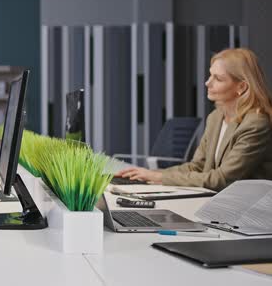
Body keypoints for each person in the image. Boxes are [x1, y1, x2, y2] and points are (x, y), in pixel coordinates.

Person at [116, 48, 272, 191]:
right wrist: (150, 174)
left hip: (245, 213)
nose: (207, 82)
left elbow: (223, 179)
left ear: (241, 87)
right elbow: (198, 166)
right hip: (218, 202)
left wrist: (160, 177)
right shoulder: (216, 118)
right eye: (210, 75)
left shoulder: (256, 124)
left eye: (217, 78)